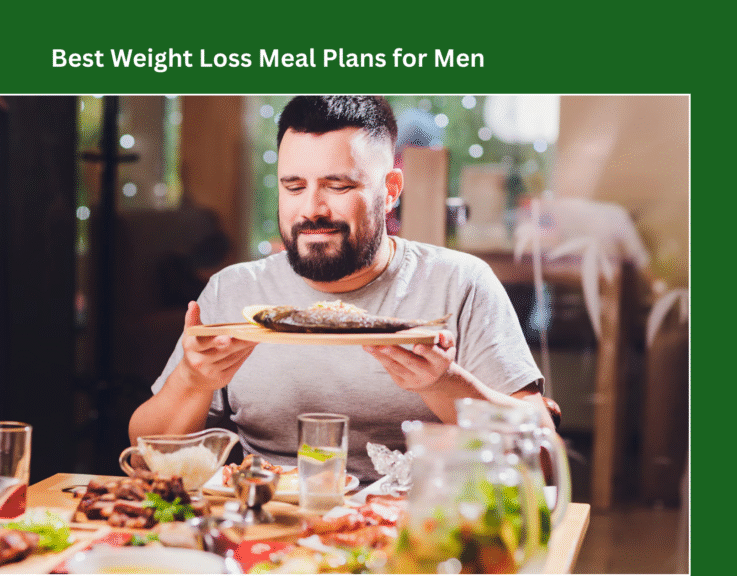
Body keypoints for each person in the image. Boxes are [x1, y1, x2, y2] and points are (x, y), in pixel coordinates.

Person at [129, 96, 550, 483]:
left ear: (390, 192)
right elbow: (145, 455)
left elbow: (544, 456)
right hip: (267, 529)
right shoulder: (233, 291)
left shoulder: (459, 284)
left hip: (417, 531)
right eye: (294, 187)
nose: (311, 209)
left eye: (339, 186)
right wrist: (192, 379)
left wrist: (444, 384)